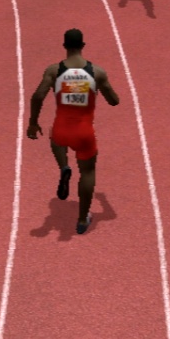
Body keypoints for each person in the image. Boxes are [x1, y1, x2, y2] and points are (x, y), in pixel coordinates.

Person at [27, 29, 120, 235]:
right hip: (84, 133)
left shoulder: (54, 70)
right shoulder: (97, 72)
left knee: (55, 138)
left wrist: (33, 123)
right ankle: (82, 219)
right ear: (83, 46)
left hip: (61, 129)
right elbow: (114, 101)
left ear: (64, 46)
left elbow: (37, 96)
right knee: (87, 172)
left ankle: (64, 167)